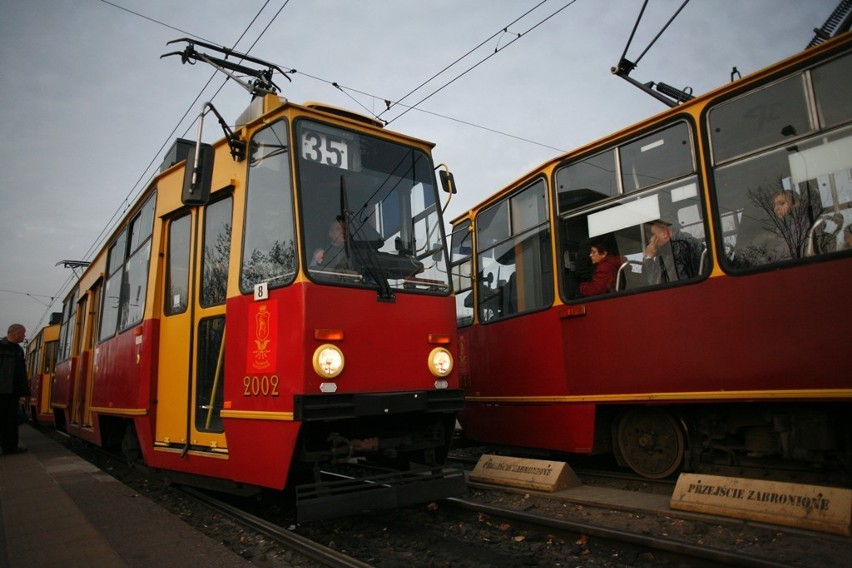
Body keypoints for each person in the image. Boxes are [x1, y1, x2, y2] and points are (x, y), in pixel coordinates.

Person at [643, 220, 703, 284]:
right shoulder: (675, 245)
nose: (650, 241)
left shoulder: (678, 247)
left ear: (664, 233)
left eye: (651, 235)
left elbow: (656, 283)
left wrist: (649, 257)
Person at [0, 323, 28, 455]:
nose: (24, 336)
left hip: (13, 391)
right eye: (23, 333)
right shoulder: (2, 346)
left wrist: (23, 391)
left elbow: (21, 371)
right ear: (15, 333)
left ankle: (10, 447)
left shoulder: (18, 350)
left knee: (11, 420)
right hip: (2, 390)